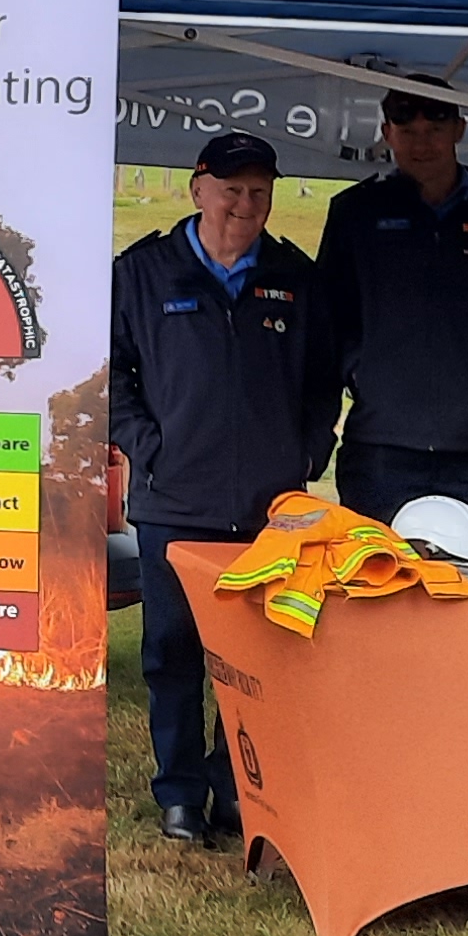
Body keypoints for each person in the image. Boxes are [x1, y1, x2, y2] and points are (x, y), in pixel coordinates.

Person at [108, 129, 342, 847]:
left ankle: (233, 787)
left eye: (260, 193)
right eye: (233, 190)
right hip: (172, 500)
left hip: (267, 508)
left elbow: (322, 381)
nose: (246, 204)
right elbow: (111, 377)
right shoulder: (142, 272)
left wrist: (305, 451)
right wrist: (151, 447)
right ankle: (178, 794)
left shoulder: (294, 275)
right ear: (198, 189)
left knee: (249, 660)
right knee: (172, 652)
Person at [320, 86, 468, 523]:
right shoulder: (356, 212)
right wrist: (360, 371)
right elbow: (328, 317)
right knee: (376, 584)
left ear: (459, 129)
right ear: (387, 133)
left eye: (434, 129)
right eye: (407, 130)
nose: (421, 143)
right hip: (382, 449)